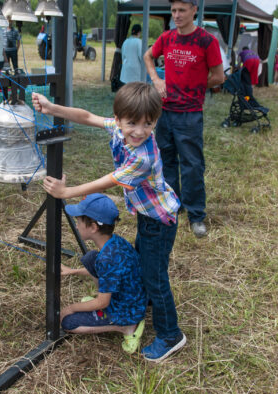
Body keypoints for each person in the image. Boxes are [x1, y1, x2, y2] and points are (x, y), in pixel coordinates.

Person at [32, 82, 186, 362]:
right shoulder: (119, 127)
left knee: (155, 275)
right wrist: (52, 108)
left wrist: (67, 192)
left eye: (148, 124)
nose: (139, 131)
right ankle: (145, 301)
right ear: (118, 119)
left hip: (159, 220)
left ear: (156, 121)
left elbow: (111, 180)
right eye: (132, 123)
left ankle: (170, 334)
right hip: (147, 215)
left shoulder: (144, 157)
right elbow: (87, 117)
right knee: (144, 263)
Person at [143, 0, 224, 238]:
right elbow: (148, 56)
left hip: (190, 114)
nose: (176, 15)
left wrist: (195, 88)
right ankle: (172, 206)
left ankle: (196, 214)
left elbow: (219, 76)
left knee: (192, 165)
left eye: (182, 10)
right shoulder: (167, 38)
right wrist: (157, 81)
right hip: (165, 112)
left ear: (194, 10)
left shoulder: (207, 41)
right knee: (166, 160)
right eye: (173, 11)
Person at [60, 194, 147, 354]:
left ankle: (124, 327)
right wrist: (72, 271)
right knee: (90, 258)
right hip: (133, 298)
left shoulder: (108, 258)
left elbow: (102, 303)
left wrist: (71, 308)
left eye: (78, 221)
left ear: (93, 227)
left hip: (126, 311)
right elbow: (110, 273)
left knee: (68, 323)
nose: (76, 225)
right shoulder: (115, 242)